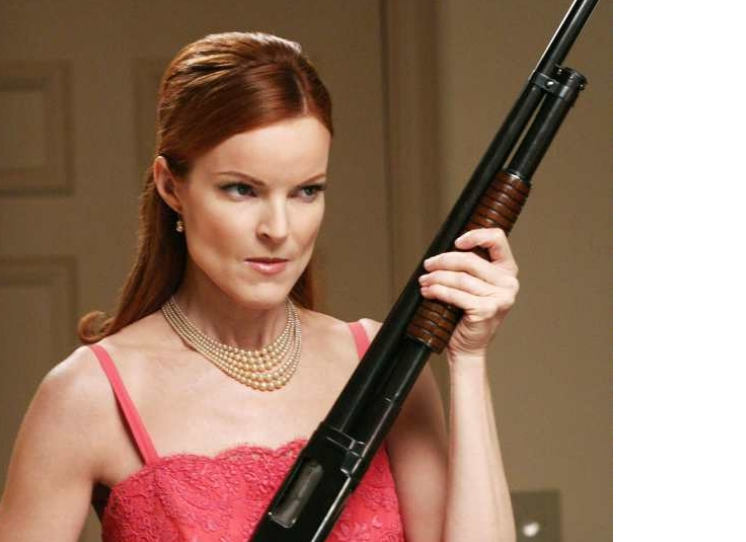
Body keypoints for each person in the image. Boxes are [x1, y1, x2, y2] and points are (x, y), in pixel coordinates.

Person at [0, 32, 518, 542]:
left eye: (305, 191)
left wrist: (469, 360)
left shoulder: (381, 367)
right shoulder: (90, 395)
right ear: (171, 186)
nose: (278, 228)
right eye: (242, 189)